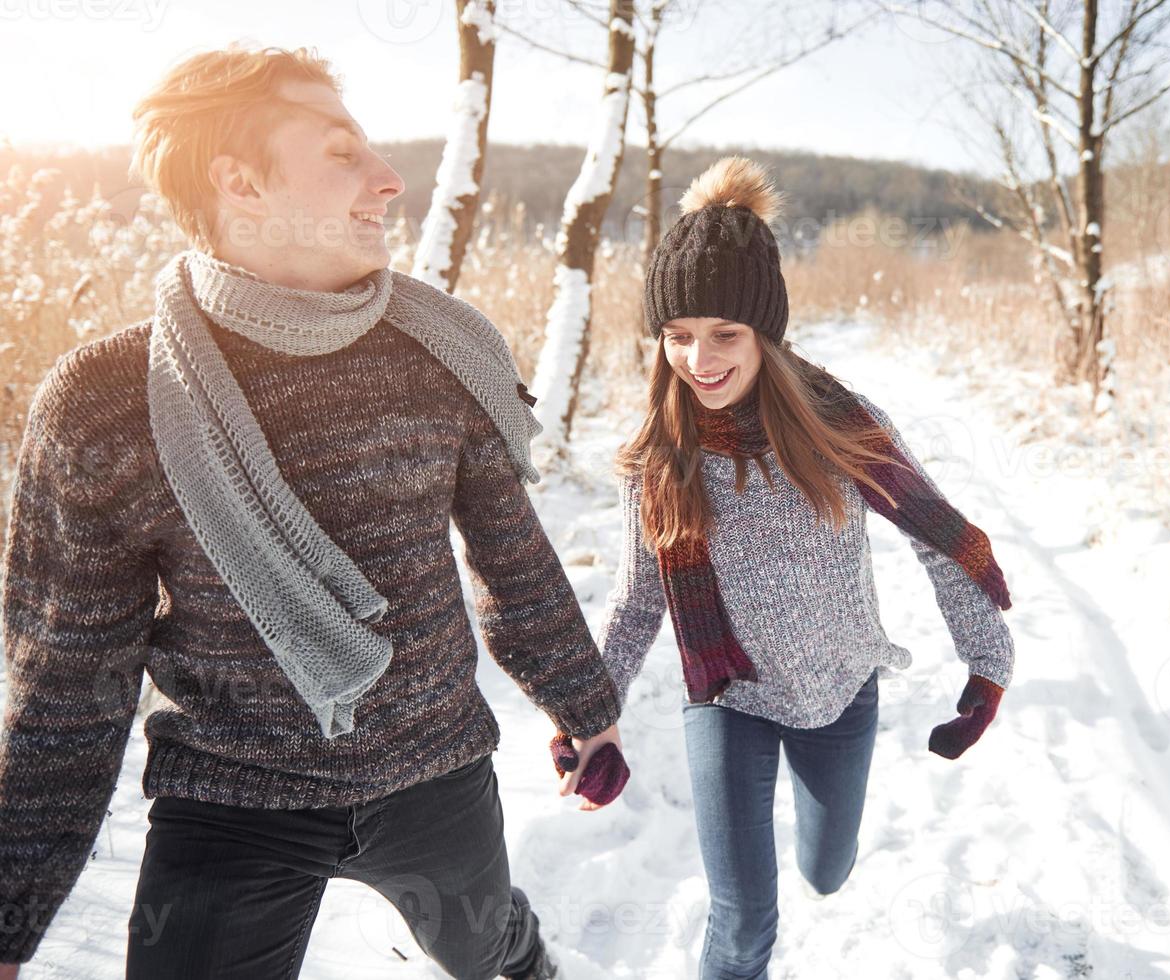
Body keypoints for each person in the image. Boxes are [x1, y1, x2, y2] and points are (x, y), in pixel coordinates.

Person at [0, 45, 625, 980]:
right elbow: (64, 686)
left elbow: (512, 556)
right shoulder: (104, 403)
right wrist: (10, 920)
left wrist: (586, 705)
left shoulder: (441, 351)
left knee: (484, 945)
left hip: (437, 768)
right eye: (342, 154)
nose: (388, 179)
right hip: (230, 798)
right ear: (240, 183)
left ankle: (521, 952)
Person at [593, 155, 1018, 979]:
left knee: (826, 871)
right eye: (677, 337)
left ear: (766, 334)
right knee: (742, 917)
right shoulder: (656, 458)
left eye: (725, 334)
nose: (698, 359)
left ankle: (827, 852)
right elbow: (639, 598)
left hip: (839, 689)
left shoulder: (839, 428)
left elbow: (938, 537)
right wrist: (591, 713)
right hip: (727, 694)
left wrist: (987, 662)